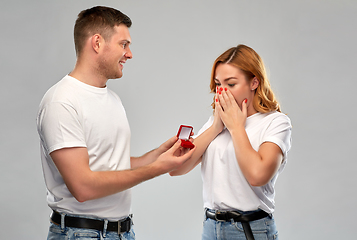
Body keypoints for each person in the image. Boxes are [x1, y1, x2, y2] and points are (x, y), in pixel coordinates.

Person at [36, 6, 195, 240]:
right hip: (81, 234)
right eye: (124, 44)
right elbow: (83, 186)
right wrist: (154, 170)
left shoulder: (112, 99)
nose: (130, 54)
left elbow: (110, 165)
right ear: (97, 43)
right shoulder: (61, 102)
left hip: (123, 232)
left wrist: (159, 155)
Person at [170, 44, 292, 240]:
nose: (222, 93)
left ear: (254, 82)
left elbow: (258, 176)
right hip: (211, 227)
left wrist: (236, 128)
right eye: (218, 84)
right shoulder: (215, 122)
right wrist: (216, 128)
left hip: (250, 229)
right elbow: (176, 168)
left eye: (231, 84)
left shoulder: (276, 122)